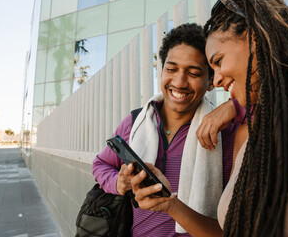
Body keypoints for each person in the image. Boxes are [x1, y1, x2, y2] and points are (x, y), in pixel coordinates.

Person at [130, 0, 288, 236]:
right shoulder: (248, 132)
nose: (217, 79)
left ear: (255, 38)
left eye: (218, 62)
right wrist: (169, 204)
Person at [92, 23, 243, 236]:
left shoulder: (226, 132)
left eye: (193, 73)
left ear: (211, 81)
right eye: (171, 69)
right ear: (161, 71)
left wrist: (236, 106)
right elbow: (101, 163)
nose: (179, 82)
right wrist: (118, 181)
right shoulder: (135, 122)